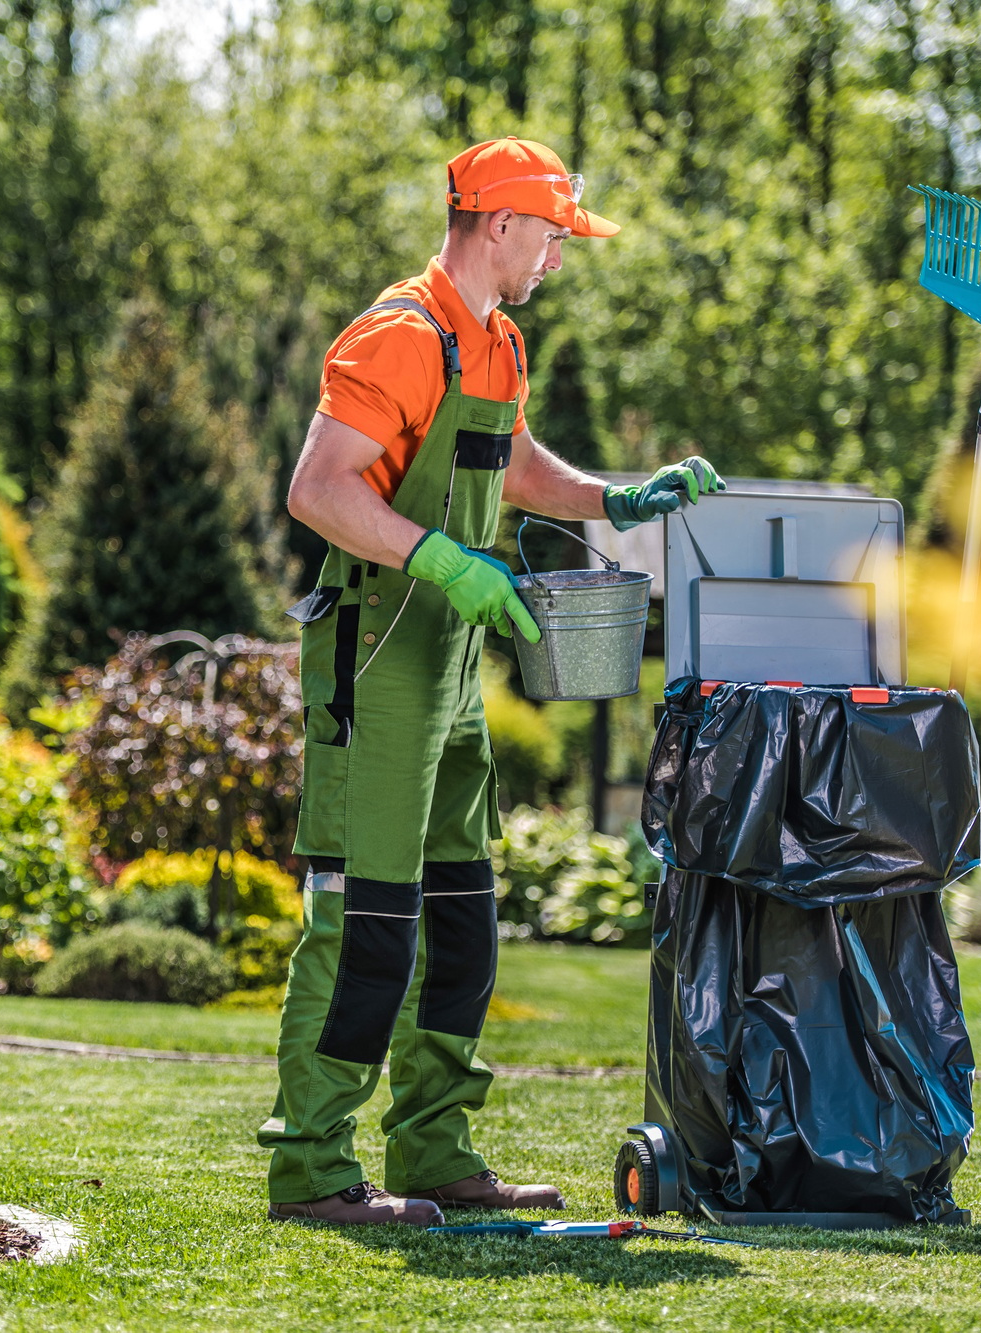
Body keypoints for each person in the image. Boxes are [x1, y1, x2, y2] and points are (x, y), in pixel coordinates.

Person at [259, 137, 724, 1227]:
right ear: (501, 223)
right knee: (364, 917)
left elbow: (508, 464)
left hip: (454, 664)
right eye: (554, 232)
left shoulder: (495, 343)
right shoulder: (399, 334)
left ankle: (431, 1144)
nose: (559, 253)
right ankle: (313, 1165)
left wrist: (612, 501)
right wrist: (436, 557)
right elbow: (317, 491)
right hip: (377, 659)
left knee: (462, 914)